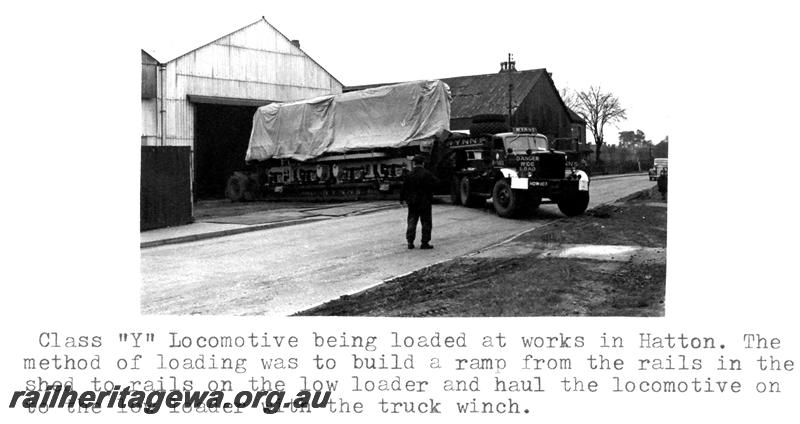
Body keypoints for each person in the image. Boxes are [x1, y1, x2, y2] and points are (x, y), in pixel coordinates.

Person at [400, 154, 439, 249]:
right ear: (423, 163)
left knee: (412, 221)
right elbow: (436, 184)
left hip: (412, 202)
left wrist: (402, 199)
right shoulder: (427, 174)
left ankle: (410, 242)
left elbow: (404, 188)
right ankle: (424, 242)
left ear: (414, 163)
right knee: (426, 222)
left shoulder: (409, 174)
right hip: (425, 201)